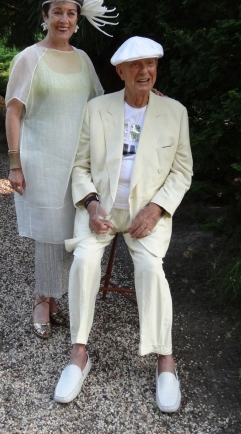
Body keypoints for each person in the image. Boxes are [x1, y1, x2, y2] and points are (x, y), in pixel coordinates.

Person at [54, 36, 193, 413]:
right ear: (121, 72)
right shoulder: (97, 109)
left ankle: (165, 358)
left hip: (146, 214)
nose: (145, 71)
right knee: (84, 260)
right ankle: (79, 353)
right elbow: (80, 167)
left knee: (150, 268)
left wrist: (157, 209)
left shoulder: (174, 112)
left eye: (151, 65)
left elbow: (182, 173)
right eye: (136, 66)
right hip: (101, 212)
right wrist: (92, 205)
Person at [5, 0, 119, 339]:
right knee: (48, 234)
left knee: (73, 231)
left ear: (77, 18)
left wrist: (141, 97)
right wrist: (14, 163)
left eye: (71, 13)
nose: (64, 20)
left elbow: (100, 102)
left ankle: (55, 294)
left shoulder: (83, 59)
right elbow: (12, 111)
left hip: (79, 165)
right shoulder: (30, 58)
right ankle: (42, 299)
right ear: (45, 15)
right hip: (42, 162)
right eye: (58, 12)